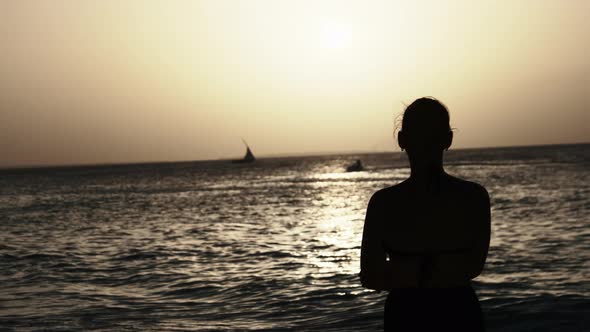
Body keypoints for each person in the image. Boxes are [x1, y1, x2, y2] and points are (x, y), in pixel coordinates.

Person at [360, 97, 490, 331]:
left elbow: (372, 276)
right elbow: (470, 266)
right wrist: (437, 269)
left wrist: (407, 271)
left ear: (401, 140)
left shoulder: (384, 204)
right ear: (449, 139)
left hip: (406, 314)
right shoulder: (473, 197)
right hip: (459, 312)